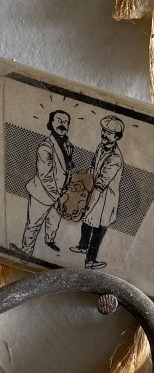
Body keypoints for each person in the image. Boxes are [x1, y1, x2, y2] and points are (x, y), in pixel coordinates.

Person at [70, 115, 124, 269]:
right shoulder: (100, 147)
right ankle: (82, 246)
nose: (104, 134)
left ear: (117, 137)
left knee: (98, 229)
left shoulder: (115, 158)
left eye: (109, 133)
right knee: (87, 220)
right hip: (94, 190)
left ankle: (90, 260)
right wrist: (83, 183)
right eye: (104, 130)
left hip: (105, 198)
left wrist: (88, 203)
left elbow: (101, 183)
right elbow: (93, 168)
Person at [19, 109, 73, 256]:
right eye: (59, 121)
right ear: (51, 123)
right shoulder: (45, 147)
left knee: (53, 221)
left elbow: (67, 170)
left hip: (59, 194)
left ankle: (49, 241)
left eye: (66, 122)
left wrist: (65, 190)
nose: (62, 124)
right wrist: (58, 196)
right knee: (33, 224)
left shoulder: (68, 146)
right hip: (42, 193)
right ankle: (26, 252)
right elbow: (45, 176)